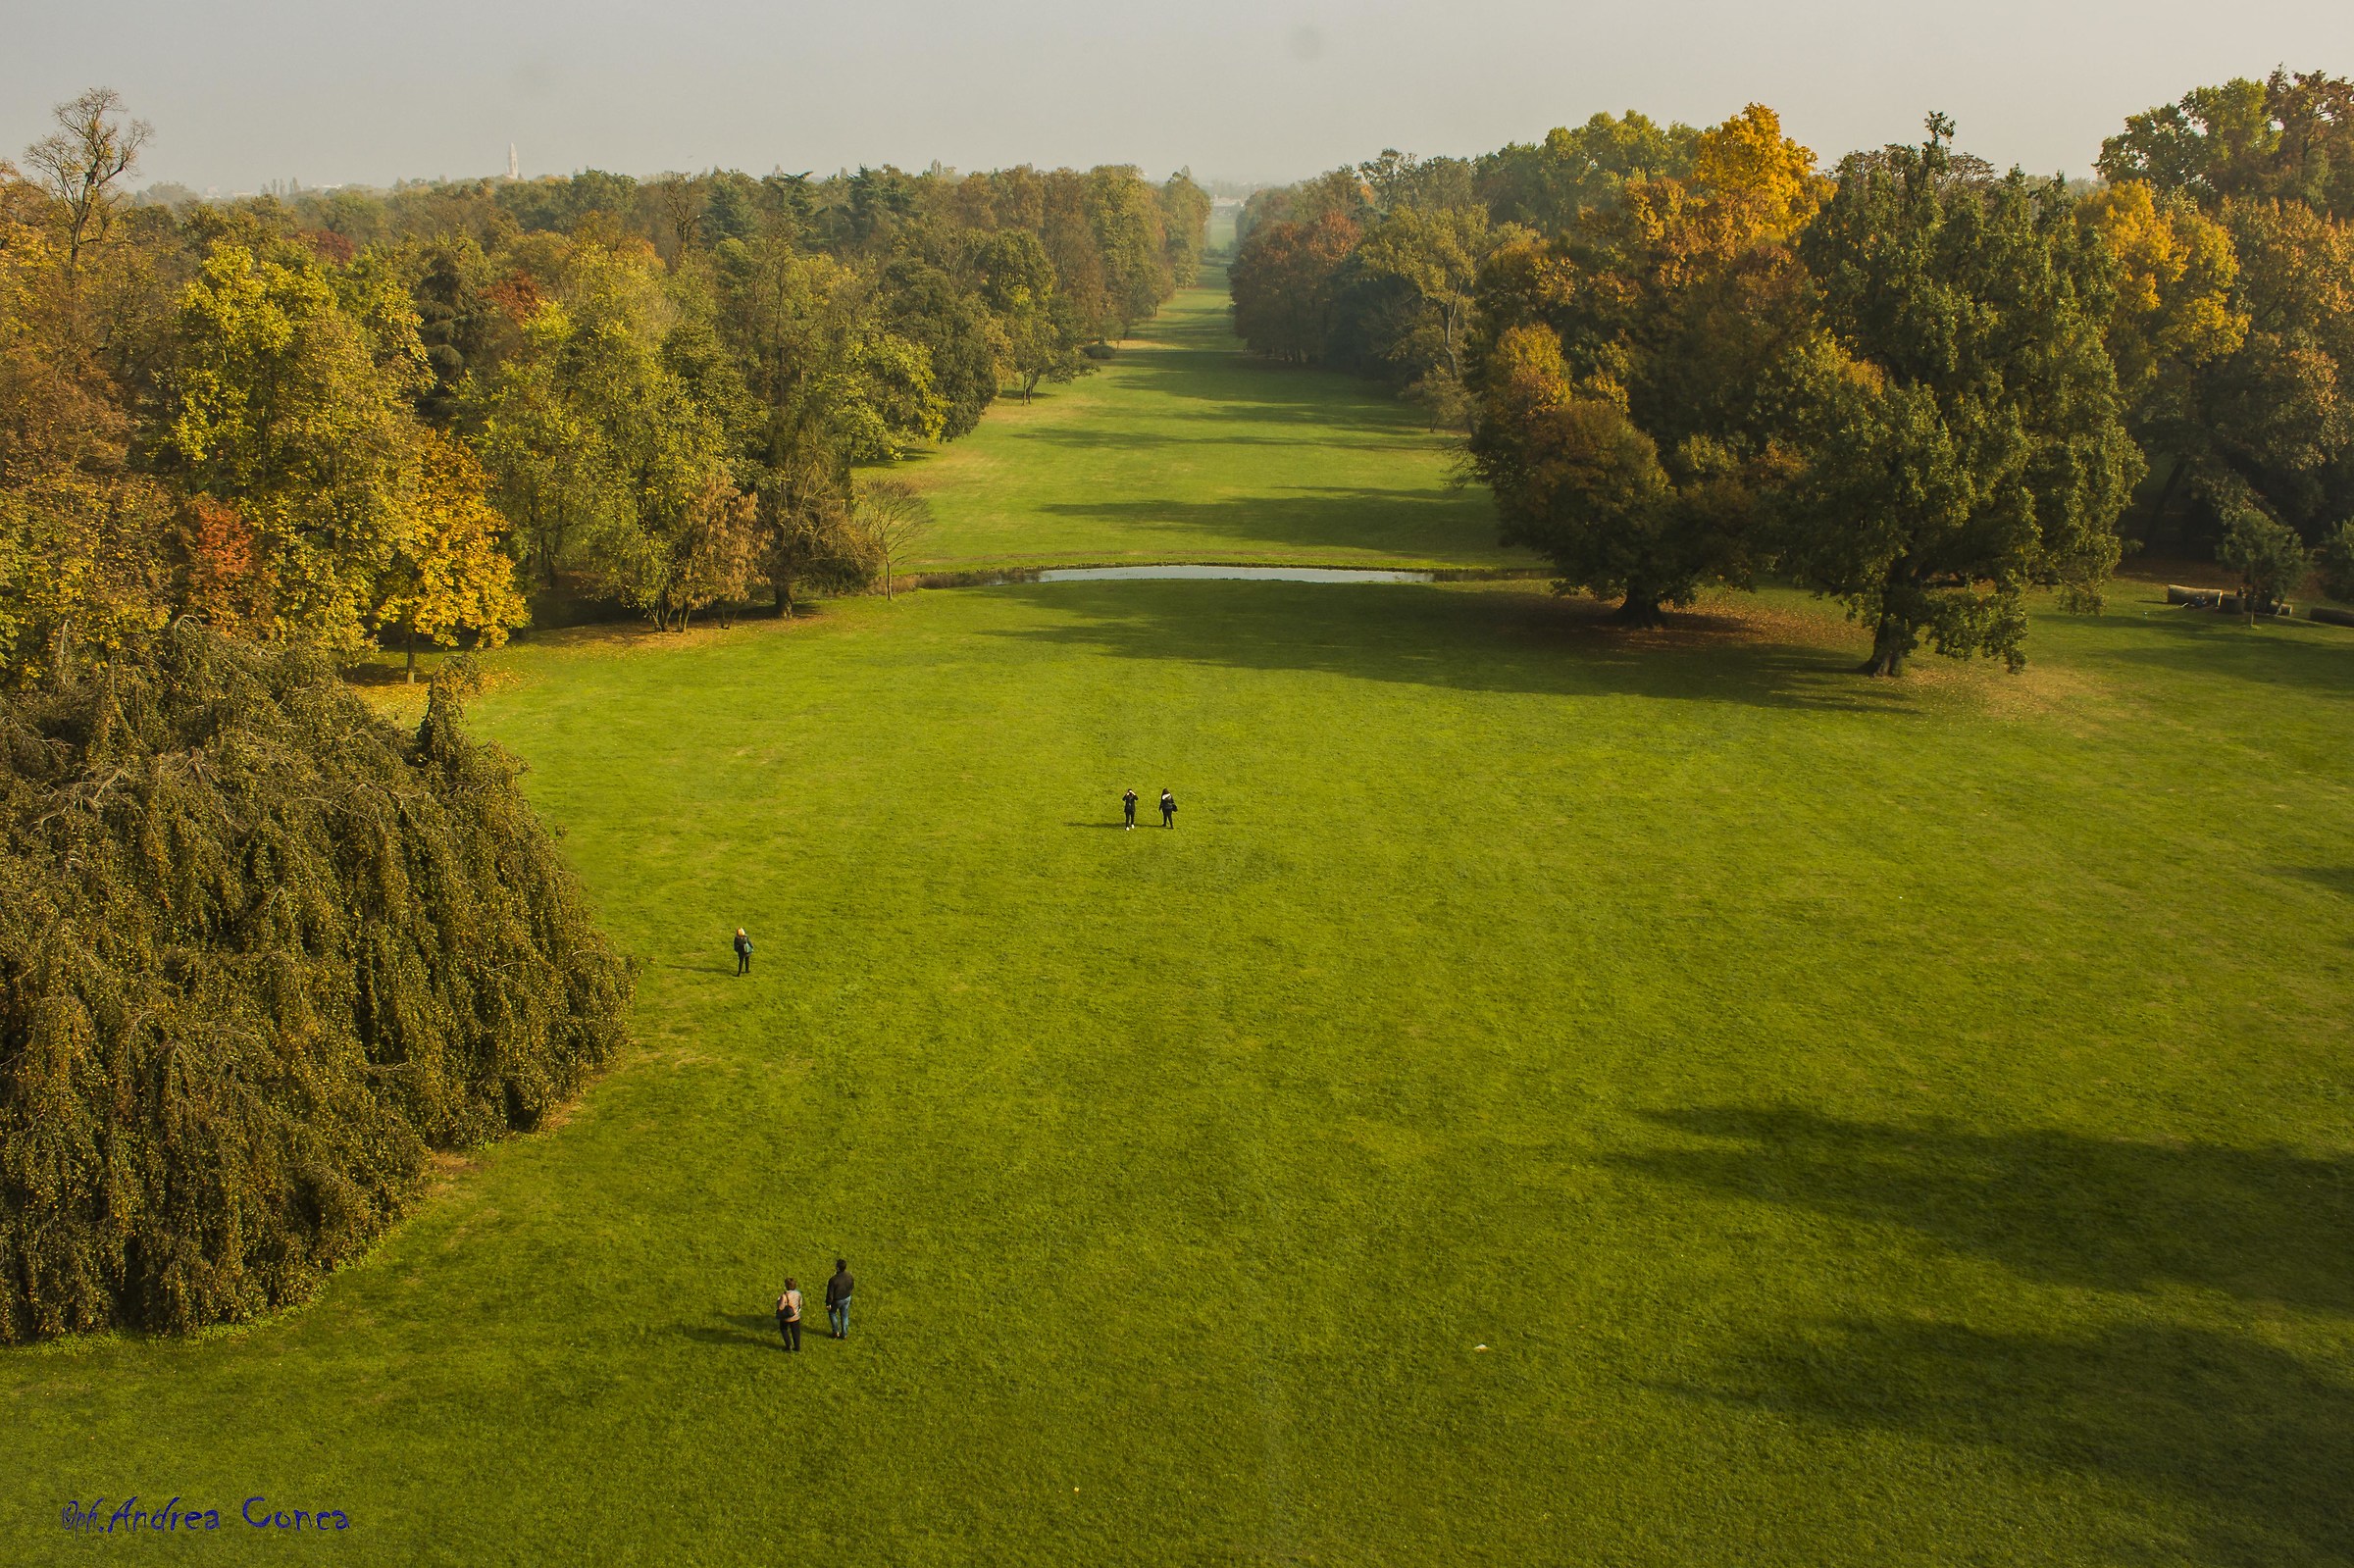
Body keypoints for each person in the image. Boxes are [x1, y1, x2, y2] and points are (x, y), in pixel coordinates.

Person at [826, 1259, 855, 1339]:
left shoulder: (833, 1280)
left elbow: (830, 1294)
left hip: (837, 1300)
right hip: (847, 1297)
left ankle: (835, 1332)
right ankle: (844, 1334)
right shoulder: (849, 1276)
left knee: (832, 1313)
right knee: (845, 1314)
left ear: (838, 1268)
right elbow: (852, 1286)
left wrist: (828, 1303)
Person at [777, 1277, 802, 1351]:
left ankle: (789, 1346)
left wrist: (778, 1301)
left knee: (783, 1329)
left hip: (786, 1317)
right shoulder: (798, 1294)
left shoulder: (784, 1296)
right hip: (796, 1316)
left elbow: (781, 1307)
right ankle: (797, 1347)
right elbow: (800, 1304)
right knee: (796, 1332)